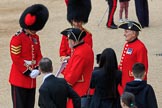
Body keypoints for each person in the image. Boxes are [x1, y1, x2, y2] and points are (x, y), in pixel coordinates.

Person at [9, 4, 49, 108]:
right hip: (19, 80)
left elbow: (38, 54)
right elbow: (16, 58)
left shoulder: (35, 37)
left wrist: (38, 68)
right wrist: (28, 72)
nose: (34, 32)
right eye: (33, 30)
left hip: (31, 80)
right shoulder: (17, 38)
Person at [61, 28, 94, 108]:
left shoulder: (79, 54)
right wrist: (70, 58)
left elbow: (71, 78)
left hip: (78, 89)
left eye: (69, 39)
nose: (67, 41)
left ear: (75, 41)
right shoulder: (83, 48)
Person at [118, 21, 148, 95]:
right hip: (124, 81)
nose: (124, 34)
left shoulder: (140, 47)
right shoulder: (127, 45)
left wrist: (138, 85)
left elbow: (142, 68)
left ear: (134, 34)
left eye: (126, 31)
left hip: (132, 83)